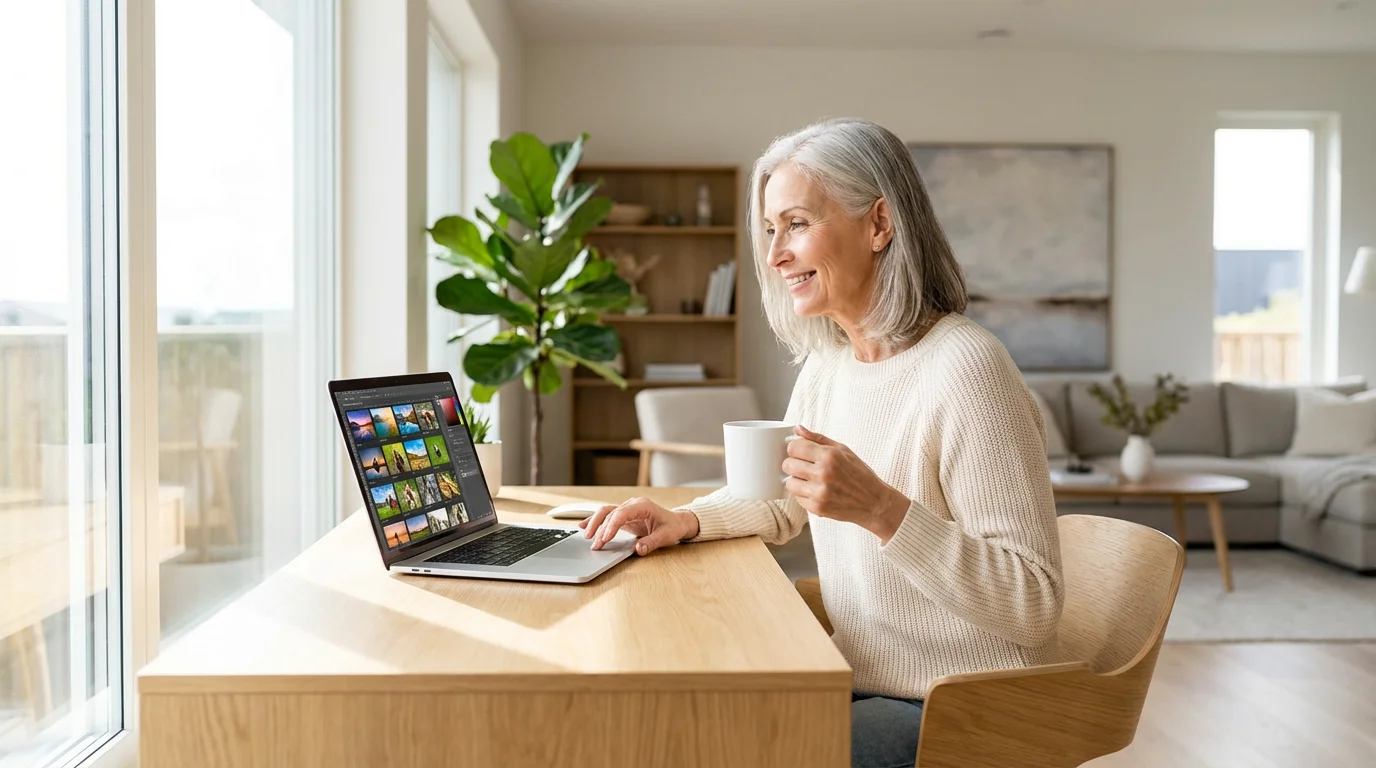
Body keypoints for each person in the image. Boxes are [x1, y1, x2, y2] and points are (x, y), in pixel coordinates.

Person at [580, 118, 1063, 768]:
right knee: (680, 732)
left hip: (962, 705)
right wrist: (685, 519)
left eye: (798, 223)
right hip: (860, 678)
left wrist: (882, 510)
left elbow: (1033, 605)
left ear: (879, 225)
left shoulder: (966, 367)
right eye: (771, 230)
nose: (776, 253)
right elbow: (785, 502)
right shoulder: (831, 364)